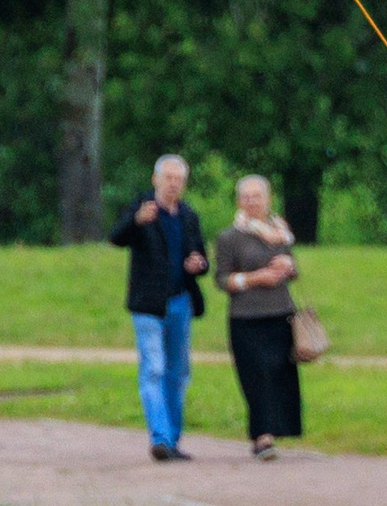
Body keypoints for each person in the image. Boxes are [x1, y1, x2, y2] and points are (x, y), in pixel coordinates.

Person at [108, 154, 209, 462]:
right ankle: (160, 437)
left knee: (178, 373)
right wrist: (136, 221)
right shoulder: (143, 209)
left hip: (180, 301)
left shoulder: (188, 216)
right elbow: (116, 237)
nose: (173, 184)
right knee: (153, 368)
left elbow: (201, 256)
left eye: (178, 179)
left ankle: (172, 441)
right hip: (148, 305)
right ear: (156, 180)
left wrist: (199, 263)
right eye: (168, 178)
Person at [210, 175, 303, 461]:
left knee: (279, 374)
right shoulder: (229, 237)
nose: (252, 202)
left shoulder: (281, 232)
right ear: (239, 201)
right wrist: (255, 278)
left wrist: (288, 266)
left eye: (257, 196)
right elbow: (222, 279)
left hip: (280, 312)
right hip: (246, 317)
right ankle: (261, 437)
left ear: (268, 199)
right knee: (255, 376)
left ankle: (277, 430)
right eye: (247, 197)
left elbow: (294, 270)